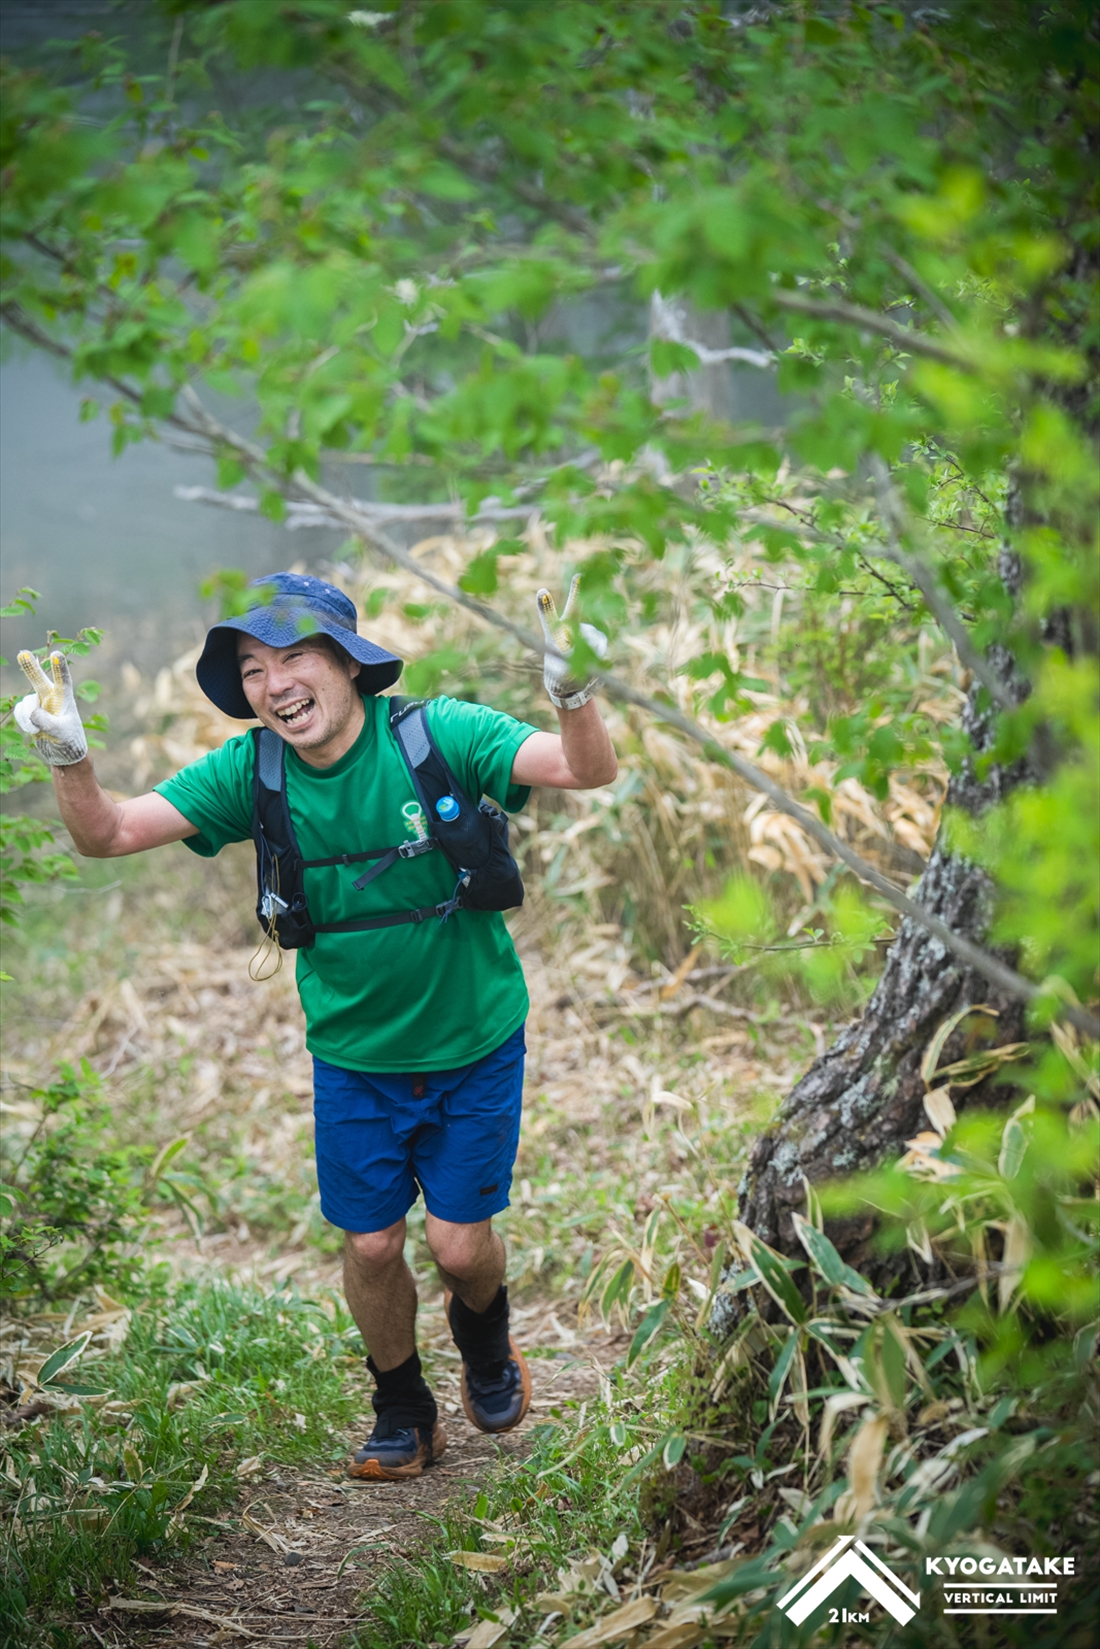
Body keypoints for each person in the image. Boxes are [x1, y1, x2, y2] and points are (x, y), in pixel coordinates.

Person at [14, 571, 616, 1481]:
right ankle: (403, 1407)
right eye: (254, 669)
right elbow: (110, 833)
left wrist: (574, 695)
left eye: (293, 656)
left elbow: (585, 770)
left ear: (347, 662)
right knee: (371, 1242)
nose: (274, 683)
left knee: (459, 1246)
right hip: (352, 1058)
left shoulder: (438, 735)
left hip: (475, 1040)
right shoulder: (250, 771)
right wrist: (69, 757)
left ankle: (485, 1339)